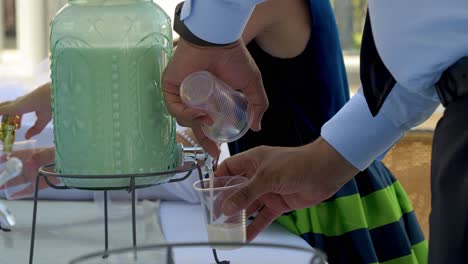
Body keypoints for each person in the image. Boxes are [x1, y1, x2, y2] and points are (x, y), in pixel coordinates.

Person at [0, 1, 427, 262]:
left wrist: (43, 97)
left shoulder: (264, 2)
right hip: (296, 174)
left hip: (316, 185)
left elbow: (148, 69)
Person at [162, 0, 468, 263]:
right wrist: (329, 157)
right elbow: (424, 64)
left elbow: (180, 62)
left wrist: (200, 37)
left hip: (323, 202)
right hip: (318, 173)